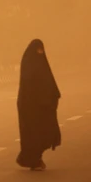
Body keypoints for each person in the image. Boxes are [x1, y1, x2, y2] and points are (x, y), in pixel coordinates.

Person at [16, 39, 61, 171]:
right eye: (38, 50)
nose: (40, 53)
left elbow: (48, 82)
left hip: (41, 105)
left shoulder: (41, 64)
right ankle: (32, 159)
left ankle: (35, 158)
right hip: (28, 105)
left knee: (43, 132)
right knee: (32, 134)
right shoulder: (29, 64)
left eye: (42, 50)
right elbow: (28, 85)